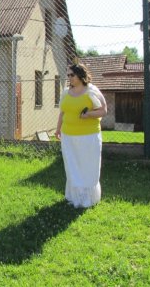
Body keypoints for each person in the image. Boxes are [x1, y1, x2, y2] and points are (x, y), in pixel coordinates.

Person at [55, 63, 107, 208]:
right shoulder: (66, 92)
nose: (69, 78)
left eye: (72, 75)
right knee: (72, 166)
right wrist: (58, 129)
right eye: (68, 75)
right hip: (68, 136)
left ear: (80, 75)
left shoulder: (91, 91)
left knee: (87, 166)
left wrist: (89, 114)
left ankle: (88, 199)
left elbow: (103, 111)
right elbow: (62, 112)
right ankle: (75, 197)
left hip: (88, 137)